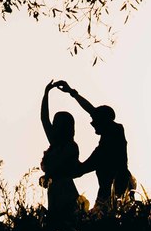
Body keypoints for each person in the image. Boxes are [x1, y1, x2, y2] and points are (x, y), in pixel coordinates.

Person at [53, 80, 133, 211]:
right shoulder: (111, 137)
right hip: (113, 193)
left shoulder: (109, 143)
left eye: (95, 120)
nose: (92, 123)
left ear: (103, 121)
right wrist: (72, 93)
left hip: (113, 196)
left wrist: (56, 172)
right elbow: (91, 110)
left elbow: (80, 170)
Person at [39, 79, 80, 220]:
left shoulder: (70, 146)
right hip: (54, 190)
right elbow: (44, 119)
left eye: (57, 124)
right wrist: (46, 94)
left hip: (65, 190)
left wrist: (48, 175)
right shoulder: (56, 144)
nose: (53, 126)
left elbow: (61, 168)